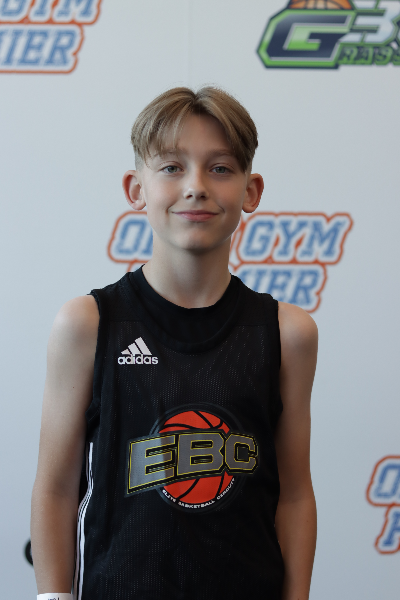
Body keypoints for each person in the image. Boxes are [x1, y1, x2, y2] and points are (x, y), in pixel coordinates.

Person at [31, 87, 318, 600]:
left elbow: (294, 495)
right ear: (135, 188)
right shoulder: (87, 324)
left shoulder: (287, 332)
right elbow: (55, 490)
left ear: (251, 191)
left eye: (220, 168)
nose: (196, 187)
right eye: (171, 168)